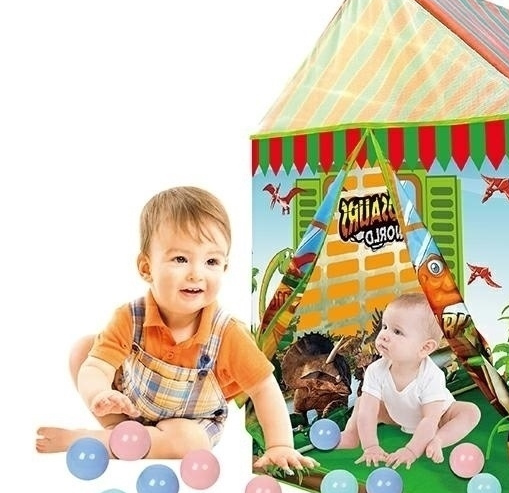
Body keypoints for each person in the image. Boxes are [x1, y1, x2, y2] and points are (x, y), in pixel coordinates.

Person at [35, 186, 316, 472]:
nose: (196, 273)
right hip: (130, 407)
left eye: (211, 261)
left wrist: (279, 445)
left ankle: (95, 442)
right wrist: (99, 394)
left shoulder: (227, 333)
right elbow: (98, 366)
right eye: (181, 259)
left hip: (189, 425)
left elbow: (264, 388)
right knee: (83, 350)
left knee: (190, 443)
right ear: (146, 268)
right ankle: (118, 431)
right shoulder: (130, 317)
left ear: (224, 267)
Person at [337, 292, 480, 469]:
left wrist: (411, 451)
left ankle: (438, 440)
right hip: (397, 415)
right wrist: (371, 446)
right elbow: (367, 412)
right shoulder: (376, 370)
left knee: (470, 412)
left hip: (439, 418)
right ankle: (351, 435)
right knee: (362, 403)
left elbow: (430, 419)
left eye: (397, 331)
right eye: (385, 326)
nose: (384, 335)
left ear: (425, 348)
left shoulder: (431, 376)